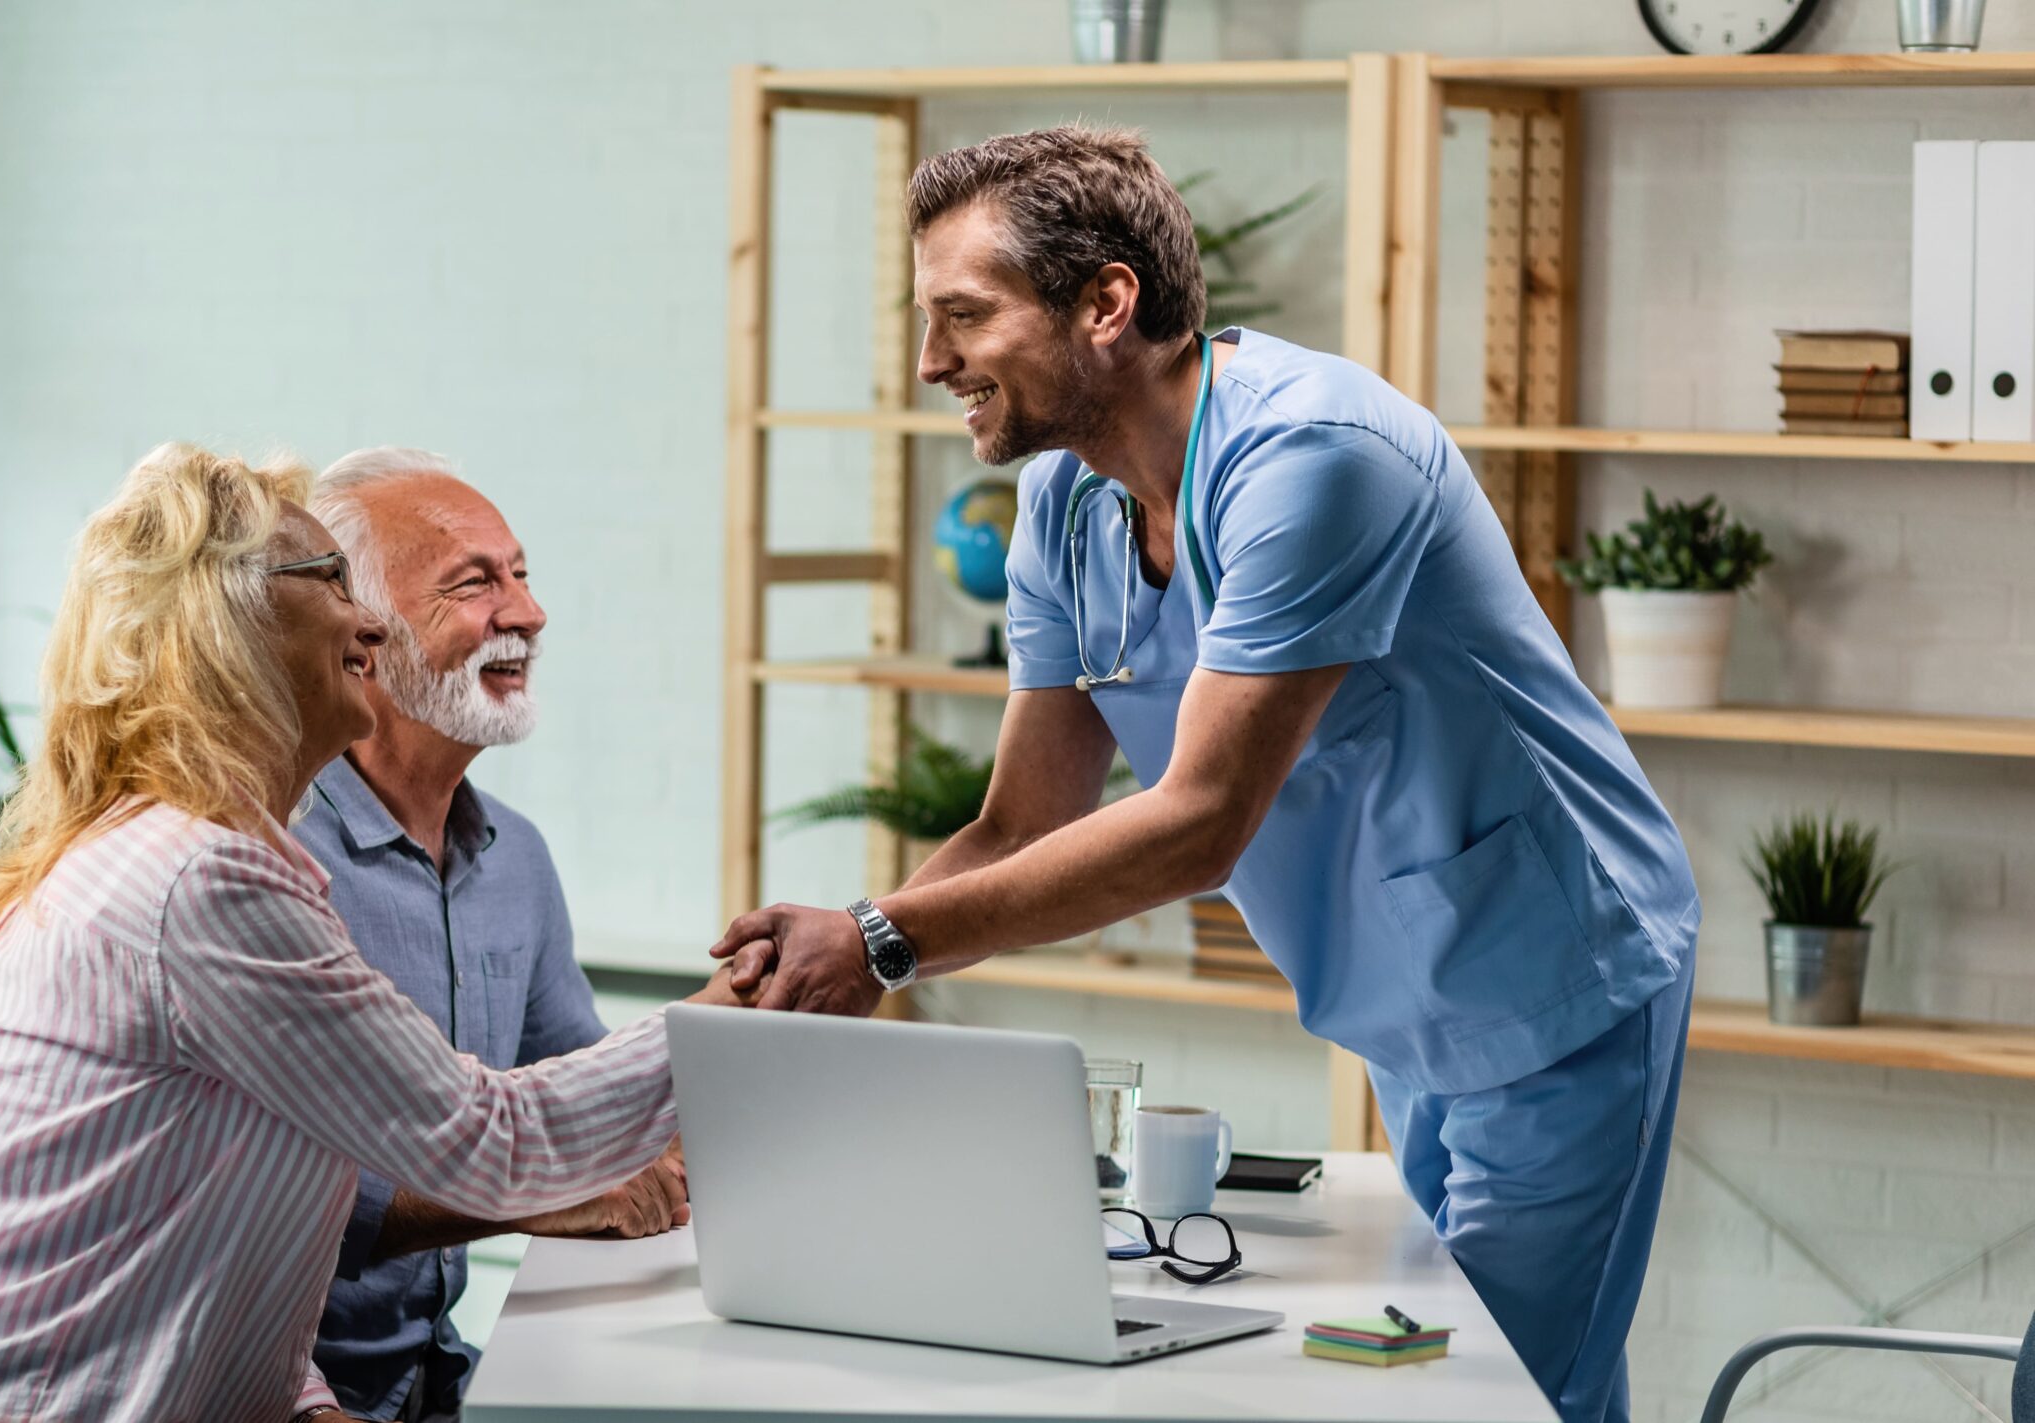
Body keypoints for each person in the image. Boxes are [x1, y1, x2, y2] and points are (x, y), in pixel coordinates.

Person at [712, 127, 1698, 1423]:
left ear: (1107, 304)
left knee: (1488, 1397)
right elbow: (1019, 822)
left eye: (963, 313)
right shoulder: (1066, 511)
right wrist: (782, 996)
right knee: (1496, 1378)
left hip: (1557, 974)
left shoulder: (1315, 460)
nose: (931, 361)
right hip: (1406, 996)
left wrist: (881, 940)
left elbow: (1197, 825)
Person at [0, 443, 751, 1423]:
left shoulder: (197, 857)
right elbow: (491, 1140)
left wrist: (303, 1402)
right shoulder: (205, 881)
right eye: (335, 582)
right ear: (232, 619)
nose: (365, 622)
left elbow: (204, 1235)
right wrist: (777, 987)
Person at [291, 448, 665, 1423]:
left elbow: (587, 1091)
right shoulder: (268, 858)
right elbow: (287, 1195)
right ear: (360, 633)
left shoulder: (516, 859)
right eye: (474, 583)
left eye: (522, 574)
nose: (527, 614)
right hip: (276, 1389)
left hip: (437, 1382)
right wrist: (537, 1193)